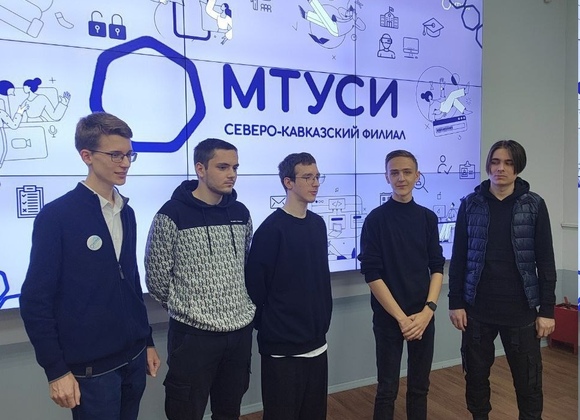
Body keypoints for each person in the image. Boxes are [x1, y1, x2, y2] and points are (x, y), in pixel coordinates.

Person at [20, 112, 161, 420]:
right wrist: (56, 370)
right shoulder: (57, 217)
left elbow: (131, 281)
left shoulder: (126, 212)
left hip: (133, 358)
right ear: (87, 156)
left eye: (129, 155)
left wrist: (147, 340)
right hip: (92, 370)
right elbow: (35, 301)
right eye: (115, 155)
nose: (125, 163)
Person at [145, 138, 255, 420]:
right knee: (185, 412)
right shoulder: (171, 214)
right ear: (200, 169)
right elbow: (156, 278)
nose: (231, 174)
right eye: (222, 167)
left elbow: (245, 265)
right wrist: (188, 308)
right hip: (193, 336)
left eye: (235, 167)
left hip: (238, 332)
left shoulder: (240, 213)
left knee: (229, 410)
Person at [448, 140, 556, 420]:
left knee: (529, 383)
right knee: (475, 379)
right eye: (495, 162)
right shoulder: (470, 204)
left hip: (521, 311)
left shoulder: (534, 205)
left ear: (518, 167)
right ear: (488, 165)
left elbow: (545, 261)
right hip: (477, 310)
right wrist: (455, 302)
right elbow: (459, 258)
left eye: (508, 163)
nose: (501, 168)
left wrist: (547, 310)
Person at [245, 152, 333, 420]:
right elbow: (255, 288)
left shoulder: (318, 224)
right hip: (282, 348)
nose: (315, 183)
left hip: (316, 343)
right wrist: (274, 326)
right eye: (307, 177)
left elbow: (319, 280)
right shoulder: (271, 230)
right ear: (288, 182)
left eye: (317, 177)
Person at [358, 149, 445, 420]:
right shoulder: (375, 220)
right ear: (386, 177)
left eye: (407, 172)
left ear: (417, 176)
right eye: (394, 172)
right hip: (389, 319)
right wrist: (401, 319)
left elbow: (437, 266)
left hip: (423, 316)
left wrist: (428, 310)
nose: (401, 178)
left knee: (420, 387)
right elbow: (372, 274)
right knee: (387, 389)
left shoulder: (427, 218)